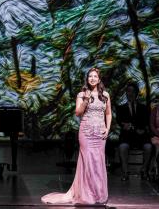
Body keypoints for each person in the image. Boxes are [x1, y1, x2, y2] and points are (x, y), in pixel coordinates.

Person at [41, 67, 111, 205]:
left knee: (98, 163)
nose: (92, 78)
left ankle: (98, 194)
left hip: (100, 134)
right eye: (90, 76)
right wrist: (86, 99)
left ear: (99, 79)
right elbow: (78, 113)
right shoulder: (81, 94)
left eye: (95, 76)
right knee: (88, 163)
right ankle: (87, 194)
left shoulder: (105, 95)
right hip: (86, 133)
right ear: (87, 78)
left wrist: (108, 129)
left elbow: (108, 113)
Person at [116, 81, 152, 181]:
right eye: (128, 91)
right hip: (127, 136)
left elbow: (145, 122)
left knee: (148, 146)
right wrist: (133, 127)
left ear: (136, 93)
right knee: (123, 146)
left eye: (132, 91)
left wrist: (132, 126)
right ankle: (125, 172)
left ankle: (144, 170)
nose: (130, 93)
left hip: (141, 136)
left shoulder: (143, 108)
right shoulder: (121, 108)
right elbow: (121, 123)